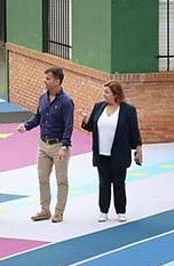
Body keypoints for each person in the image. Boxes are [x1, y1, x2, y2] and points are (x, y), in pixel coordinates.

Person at [79, 81, 143, 223]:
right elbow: (90, 126)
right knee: (104, 183)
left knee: (119, 182)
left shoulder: (128, 110)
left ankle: (121, 211)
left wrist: (138, 148)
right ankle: (103, 211)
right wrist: (85, 118)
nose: (104, 95)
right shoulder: (99, 107)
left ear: (116, 94)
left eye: (107, 92)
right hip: (101, 153)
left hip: (119, 153)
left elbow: (134, 131)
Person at [16, 67, 74, 223]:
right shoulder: (43, 98)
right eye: (45, 78)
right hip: (43, 145)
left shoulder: (66, 102)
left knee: (61, 180)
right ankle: (44, 210)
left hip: (58, 146)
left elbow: (69, 125)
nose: (45, 80)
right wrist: (26, 126)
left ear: (57, 81)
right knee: (42, 178)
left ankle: (59, 212)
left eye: (48, 78)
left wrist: (65, 145)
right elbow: (37, 118)